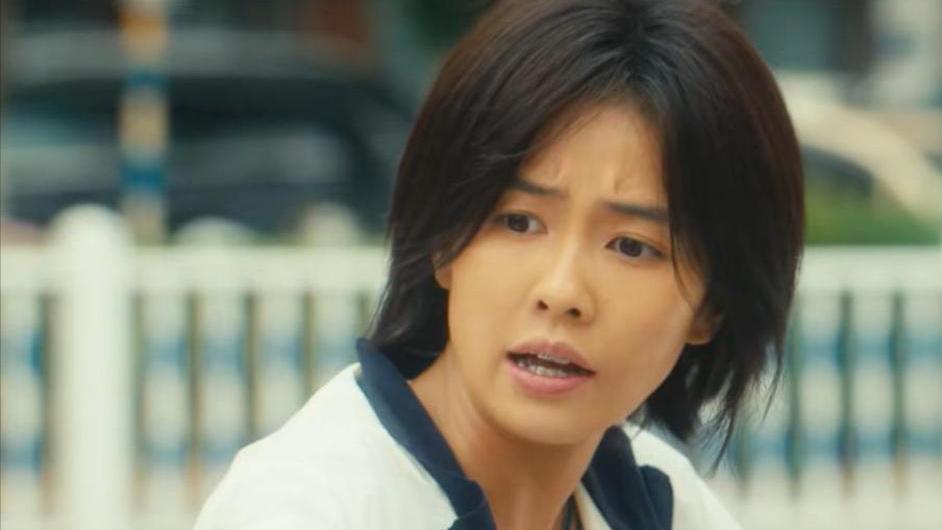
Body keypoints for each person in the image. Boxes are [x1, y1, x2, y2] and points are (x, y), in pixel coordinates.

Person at [194, 0, 804, 528]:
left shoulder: (655, 503)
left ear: (712, 304)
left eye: (631, 246)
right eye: (518, 222)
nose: (561, 291)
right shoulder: (307, 508)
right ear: (443, 239)